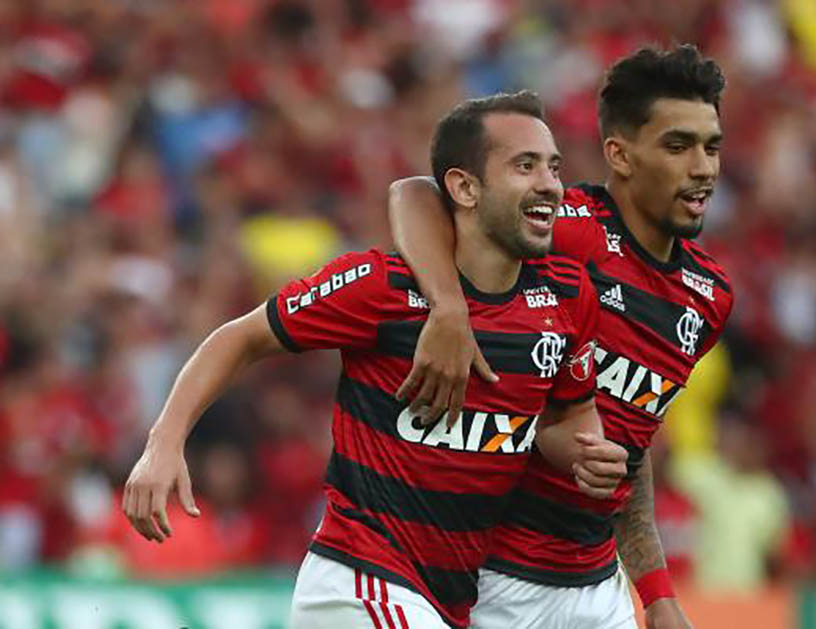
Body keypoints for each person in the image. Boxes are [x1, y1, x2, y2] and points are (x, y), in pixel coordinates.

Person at [122, 91, 628, 629]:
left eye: (553, 167)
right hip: (359, 582)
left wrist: (586, 454)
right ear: (464, 187)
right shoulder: (382, 286)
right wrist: (164, 442)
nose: (550, 183)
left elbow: (565, 417)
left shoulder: (566, 296)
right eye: (524, 166)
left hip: (451, 598)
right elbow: (240, 337)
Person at [388, 44, 733, 628]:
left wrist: (658, 592)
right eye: (678, 146)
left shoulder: (709, 296)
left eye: (711, 147)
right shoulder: (564, 228)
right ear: (619, 155)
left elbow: (628, 443)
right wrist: (448, 308)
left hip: (596, 589)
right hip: (485, 577)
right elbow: (415, 193)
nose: (703, 168)